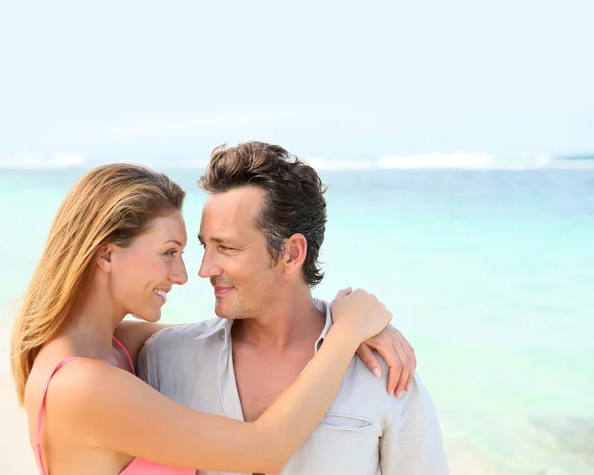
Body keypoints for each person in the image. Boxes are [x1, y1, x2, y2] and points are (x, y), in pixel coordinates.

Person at [9, 163, 404, 475]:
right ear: (107, 254)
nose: (183, 275)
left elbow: (250, 336)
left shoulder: (115, 344)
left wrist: (350, 323)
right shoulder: (83, 385)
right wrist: (347, 332)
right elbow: (265, 449)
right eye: (168, 252)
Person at [139, 142, 449, 475]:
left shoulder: (385, 372)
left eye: (226, 248)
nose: (204, 269)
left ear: (291, 254)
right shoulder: (164, 361)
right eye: (205, 246)